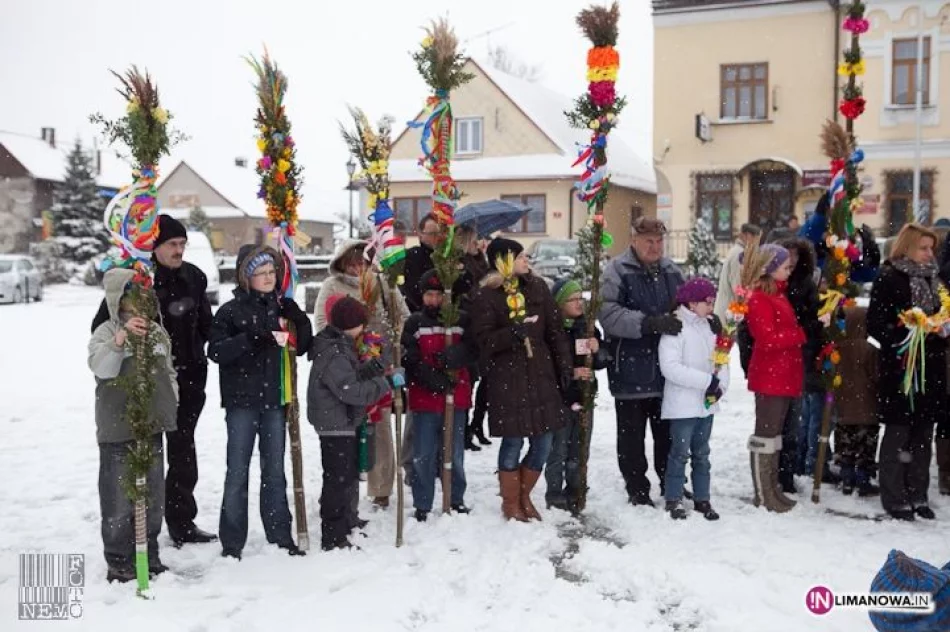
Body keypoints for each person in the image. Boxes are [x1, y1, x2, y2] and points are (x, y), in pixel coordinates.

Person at [90, 214, 215, 546]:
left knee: (184, 453)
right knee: (148, 456)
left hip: (188, 380)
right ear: (155, 247)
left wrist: (200, 352)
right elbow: (105, 323)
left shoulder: (194, 277)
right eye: (172, 244)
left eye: (182, 245)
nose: (179, 250)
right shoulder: (138, 281)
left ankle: (182, 521)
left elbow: (206, 324)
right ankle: (141, 528)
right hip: (146, 382)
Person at [208, 245, 313, 559]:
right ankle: (232, 541)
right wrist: (250, 339)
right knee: (237, 472)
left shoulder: (281, 309)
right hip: (242, 402)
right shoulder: (229, 311)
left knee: (274, 471)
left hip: (275, 401)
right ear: (246, 276)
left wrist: (300, 320)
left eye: (271, 272)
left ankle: (280, 534)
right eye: (260, 273)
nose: (268, 278)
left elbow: (304, 346)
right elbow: (215, 351)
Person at [471, 238, 572, 521]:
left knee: (544, 441)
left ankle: (524, 494)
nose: (526, 260)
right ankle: (510, 502)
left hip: (540, 375)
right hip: (507, 379)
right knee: (513, 442)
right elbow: (483, 340)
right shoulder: (486, 295)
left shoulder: (538, 288)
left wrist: (564, 366)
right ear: (503, 260)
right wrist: (511, 334)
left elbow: (554, 331)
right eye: (520, 256)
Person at [89, 268, 179, 582]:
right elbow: (101, 368)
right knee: (118, 499)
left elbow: (168, 369)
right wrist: (119, 341)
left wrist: (172, 398)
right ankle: (118, 559)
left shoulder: (157, 331)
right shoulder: (104, 331)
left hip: (151, 427)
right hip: (117, 428)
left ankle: (148, 550)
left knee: (152, 495)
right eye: (130, 297)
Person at [314, 239, 409, 510]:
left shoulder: (382, 284)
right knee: (346, 430)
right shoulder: (332, 287)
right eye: (352, 263)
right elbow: (321, 323)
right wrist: (348, 342)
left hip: (378, 364)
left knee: (380, 428)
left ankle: (381, 487)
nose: (357, 269)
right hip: (343, 368)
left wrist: (386, 344)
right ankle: (344, 487)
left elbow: (401, 317)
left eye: (362, 263)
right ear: (343, 263)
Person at [599, 217, 686, 507]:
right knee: (631, 437)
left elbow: (687, 307)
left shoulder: (672, 271)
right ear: (633, 240)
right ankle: (636, 488)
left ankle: (669, 481)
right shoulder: (617, 271)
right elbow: (608, 314)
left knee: (667, 434)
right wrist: (648, 323)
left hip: (667, 369)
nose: (655, 246)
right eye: (649, 241)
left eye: (659, 241)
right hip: (630, 368)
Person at [868, 223, 947, 521]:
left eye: (931, 248)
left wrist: (941, 327)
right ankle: (894, 496)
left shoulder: (935, 279)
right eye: (923, 248)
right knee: (898, 431)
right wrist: (906, 332)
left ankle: (918, 493)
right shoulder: (890, 278)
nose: (929, 254)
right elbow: (876, 325)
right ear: (907, 247)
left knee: (924, 432)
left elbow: (943, 312)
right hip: (901, 366)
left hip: (932, 365)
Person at [307, 296, 398, 550]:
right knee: (337, 478)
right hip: (334, 423)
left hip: (342, 420)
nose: (364, 330)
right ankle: (333, 535)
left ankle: (346, 521)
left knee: (346, 475)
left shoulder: (341, 345)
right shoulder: (334, 352)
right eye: (361, 324)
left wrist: (377, 366)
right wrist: (385, 384)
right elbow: (351, 390)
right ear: (350, 325)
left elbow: (353, 375)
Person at [401, 270, 475, 521]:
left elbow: (474, 348)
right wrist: (434, 380)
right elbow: (410, 359)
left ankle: (455, 498)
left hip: (457, 396)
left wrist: (455, 356)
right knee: (424, 452)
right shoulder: (415, 323)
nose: (434, 300)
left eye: (438, 295)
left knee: (453, 452)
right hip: (425, 398)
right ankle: (423, 502)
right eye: (429, 295)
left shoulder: (462, 320)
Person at [659, 278, 727, 521]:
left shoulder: (709, 327)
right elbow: (670, 368)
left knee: (702, 453)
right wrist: (706, 381)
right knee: (679, 453)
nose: (711, 307)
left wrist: (720, 386)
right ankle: (673, 498)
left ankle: (702, 497)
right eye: (707, 302)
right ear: (691, 302)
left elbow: (720, 360)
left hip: (705, 405)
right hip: (682, 405)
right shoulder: (676, 327)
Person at [745, 244, 804, 513]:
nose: (789, 271)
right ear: (770, 268)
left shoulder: (779, 295)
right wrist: (799, 335)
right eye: (785, 266)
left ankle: (773, 489)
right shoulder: (759, 298)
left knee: (775, 435)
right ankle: (762, 492)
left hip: (783, 374)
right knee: (765, 435)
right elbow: (766, 338)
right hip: (770, 376)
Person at [544, 278, 610, 513]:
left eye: (579, 298)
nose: (578, 303)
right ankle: (554, 493)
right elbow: (547, 366)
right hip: (560, 398)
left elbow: (603, 360)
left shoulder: (588, 327)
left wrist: (597, 350)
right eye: (572, 300)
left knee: (580, 448)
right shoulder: (552, 330)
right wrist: (571, 373)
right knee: (558, 449)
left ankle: (576, 488)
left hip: (585, 397)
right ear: (560, 303)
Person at [833, 306, 880, 497]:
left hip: (844, 408)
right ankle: (863, 480)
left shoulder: (838, 348)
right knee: (865, 447)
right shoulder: (870, 350)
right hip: (866, 408)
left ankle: (846, 479)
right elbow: (877, 377)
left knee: (846, 447)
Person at [454, 224, 492, 451]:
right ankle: (467, 428)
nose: (478, 243)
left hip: (481, 324)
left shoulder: (480, 259)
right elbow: (466, 291)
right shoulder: (460, 262)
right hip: (468, 325)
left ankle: (477, 424)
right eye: (474, 239)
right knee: (470, 380)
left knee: (484, 380)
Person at [713, 223, 761, 324]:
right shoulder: (739, 254)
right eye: (756, 238)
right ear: (748, 235)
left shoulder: (738, 251)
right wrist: (740, 307)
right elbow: (738, 286)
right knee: (728, 337)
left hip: (729, 307)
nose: (758, 243)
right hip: (731, 309)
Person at [402, 214, 447, 313]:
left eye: (437, 233)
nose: (436, 237)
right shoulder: (413, 256)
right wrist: (425, 310)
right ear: (420, 235)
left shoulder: (439, 255)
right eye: (432, 234)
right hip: (421, 311)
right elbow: (411, 289)